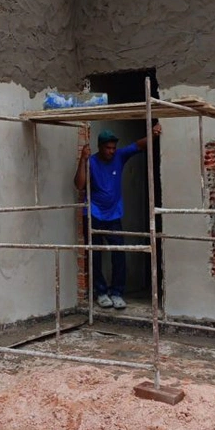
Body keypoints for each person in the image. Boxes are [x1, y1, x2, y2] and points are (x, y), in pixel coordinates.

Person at [74, 125, 161, 309]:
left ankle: (117, 292)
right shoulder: (92, 162)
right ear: (100, 147)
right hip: (94, 214)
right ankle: (101, 292)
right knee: (95, 255)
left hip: (113, 216)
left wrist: (152, 135)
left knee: (119, 253)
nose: (111, 151)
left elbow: (138, 145)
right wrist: (83, 159)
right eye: (108, 148)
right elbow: (80, 185)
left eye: (113, 148)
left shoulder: (119, 157)